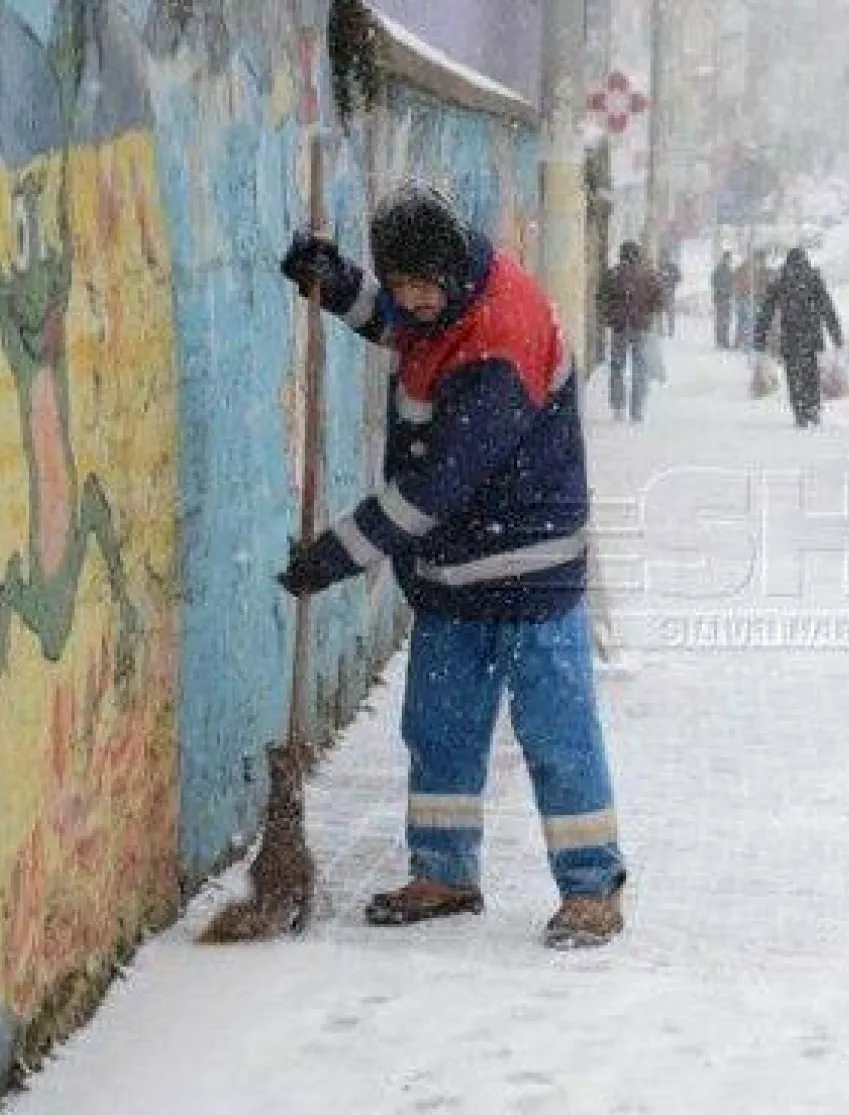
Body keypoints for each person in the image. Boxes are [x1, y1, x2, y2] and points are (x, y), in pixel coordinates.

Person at [275, 183, 627, 947]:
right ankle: (443, 872)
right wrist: (336, 284)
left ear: (448, 271)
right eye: (399, 285)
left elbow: (433, 490)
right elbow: (403, 324)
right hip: (453, 574)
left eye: (418, 287)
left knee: (556, 733)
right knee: (439, 727)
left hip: (530, 571)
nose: (410, 302)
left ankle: (593, 885)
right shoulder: (447, 294)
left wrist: (334, 556)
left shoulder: (500, 337)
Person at [754, 247, 843, 427]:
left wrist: (760, 337)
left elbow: (766, 311)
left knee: (794, 377)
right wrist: (836, 335)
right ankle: (813, 409)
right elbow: (827, 308)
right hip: (811, 338)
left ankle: (800, 412)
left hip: (791, 337)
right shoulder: (813, 279)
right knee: (811, 375)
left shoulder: (781, 280)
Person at [596, 240, 664, 422]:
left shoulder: (612, 275)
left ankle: (618, 406)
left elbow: (601, 299)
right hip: (641, 327)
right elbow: (660, 300)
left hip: (619, 327)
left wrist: (610, 316)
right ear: (638, 255)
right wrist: (648, 312)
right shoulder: (649, 275)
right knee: (640, 367)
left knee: (617, 366)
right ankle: (637, 410)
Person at [710, 250, 735, 349]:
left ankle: (724, 340)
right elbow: (713, 282)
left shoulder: (728, 270)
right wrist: (721, 289)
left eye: (729, 259)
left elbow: (732, 283)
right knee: (721, 320)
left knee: (726, 320)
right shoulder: (719, 269)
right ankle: (720, 340)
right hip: (720, 298)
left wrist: (730, 291)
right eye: (727, 258)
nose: (728, 261)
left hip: (726, 298)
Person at [657, 248, 682, 338]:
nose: (663, 259)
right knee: (659, 313)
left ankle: (671, 331)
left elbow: (679, 277)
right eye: (662, 257)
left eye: (665, 257)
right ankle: (660, 330)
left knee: (670, 313)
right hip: (659, 294)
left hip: (670, 293)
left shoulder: (673, 267)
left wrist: (672, 285)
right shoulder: (658, 267)